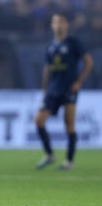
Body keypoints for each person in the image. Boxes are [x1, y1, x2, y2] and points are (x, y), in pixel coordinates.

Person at [35, 13, 93, 170]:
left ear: (66, 25)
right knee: (39, 120)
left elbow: (88, 61)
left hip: (69, 89)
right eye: (55, 22)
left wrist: (79, 82)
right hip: (53, 90)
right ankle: (49, 155)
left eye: (61, 22)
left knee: (69, 126)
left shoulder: (73, 43)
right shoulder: (50, 46)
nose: (58, 25)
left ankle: (69, 161)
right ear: (52, 25)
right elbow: (47, 68)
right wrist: (45, 89)